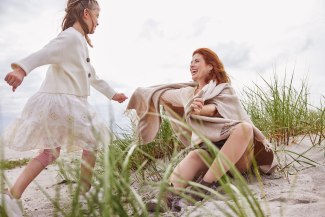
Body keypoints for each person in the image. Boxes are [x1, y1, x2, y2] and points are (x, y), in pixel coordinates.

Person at [1, 0, 127, 216]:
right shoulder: (69, 37)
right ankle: (84, 193)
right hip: (65, 101)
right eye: (98, 17)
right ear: (86, 14)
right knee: (92, 141)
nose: (99, 22)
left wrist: (112, 94)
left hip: (64, 101)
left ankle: (12, 195)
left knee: (51, 153)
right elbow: (44, 53)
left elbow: (91, 75)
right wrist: (22, 70)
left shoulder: (78, 41)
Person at [127, 48, 276, 212]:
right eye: (190, 62)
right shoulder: (187, 93)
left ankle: (200, 190)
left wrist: (200, 109)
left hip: (237, 155)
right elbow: (161, 95)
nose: (192, 64)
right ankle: (165, 198)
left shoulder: (225, 90)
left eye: (196, 61)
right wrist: (143, 93)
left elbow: (215, 109)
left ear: (211, 66)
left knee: (245, 129)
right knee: (195, 155)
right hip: (211, 153)